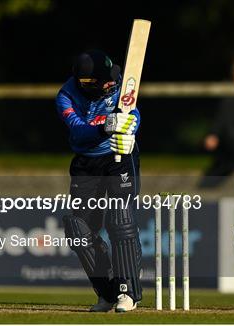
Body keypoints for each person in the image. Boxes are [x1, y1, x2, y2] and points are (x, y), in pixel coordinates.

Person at [55, 49, 142, 313]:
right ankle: (107, 293)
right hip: (86, 162)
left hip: (119, 156)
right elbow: (78, 132)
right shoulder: (66, 97)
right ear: (87, 83)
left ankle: (128, 292)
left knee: (120, 218)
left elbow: (134, 112)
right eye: (105, 81)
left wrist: (130, 132)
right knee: (77, 228)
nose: (112, 83)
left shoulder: (116, 82)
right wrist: (104, 127)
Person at [199, 59, 234, 187]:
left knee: (230, 166)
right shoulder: (230, 96)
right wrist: (213, 133)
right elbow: (222, 116)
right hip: (233, 141)